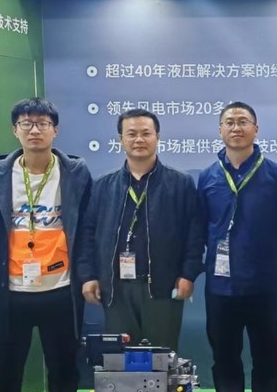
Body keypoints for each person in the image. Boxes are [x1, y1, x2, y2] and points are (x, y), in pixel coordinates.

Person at [0, 98, 92, 392]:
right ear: (15, 131)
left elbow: (86, 224)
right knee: (4, 365)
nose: (35, 130)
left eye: (42, 123)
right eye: (26, 123)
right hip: (10, 289)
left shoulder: (76, 173)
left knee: (63, 363)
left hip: (61, 286)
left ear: (55, 130)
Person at [196, 102, 277, 392]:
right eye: (229, 122)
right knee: (224, 358)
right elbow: (200, 226)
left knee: (267, 357)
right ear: (220, 130)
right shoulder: (208, 177)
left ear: (256, 129)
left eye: (243, 122)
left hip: (264, 285)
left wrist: (267, 255)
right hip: (220, 287)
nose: (236, 128)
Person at [74, 109, 205, 351]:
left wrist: (188, 274)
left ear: (157, 137)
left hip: (163, 287)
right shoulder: (103, 186)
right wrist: (88, 276)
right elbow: (88, 235)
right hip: (115, 289)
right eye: (131, 134)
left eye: (146, 133)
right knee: (121, 360)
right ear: (120, 139)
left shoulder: (180, 183)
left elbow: (194, 235)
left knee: (162, 360)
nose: (139, 139)